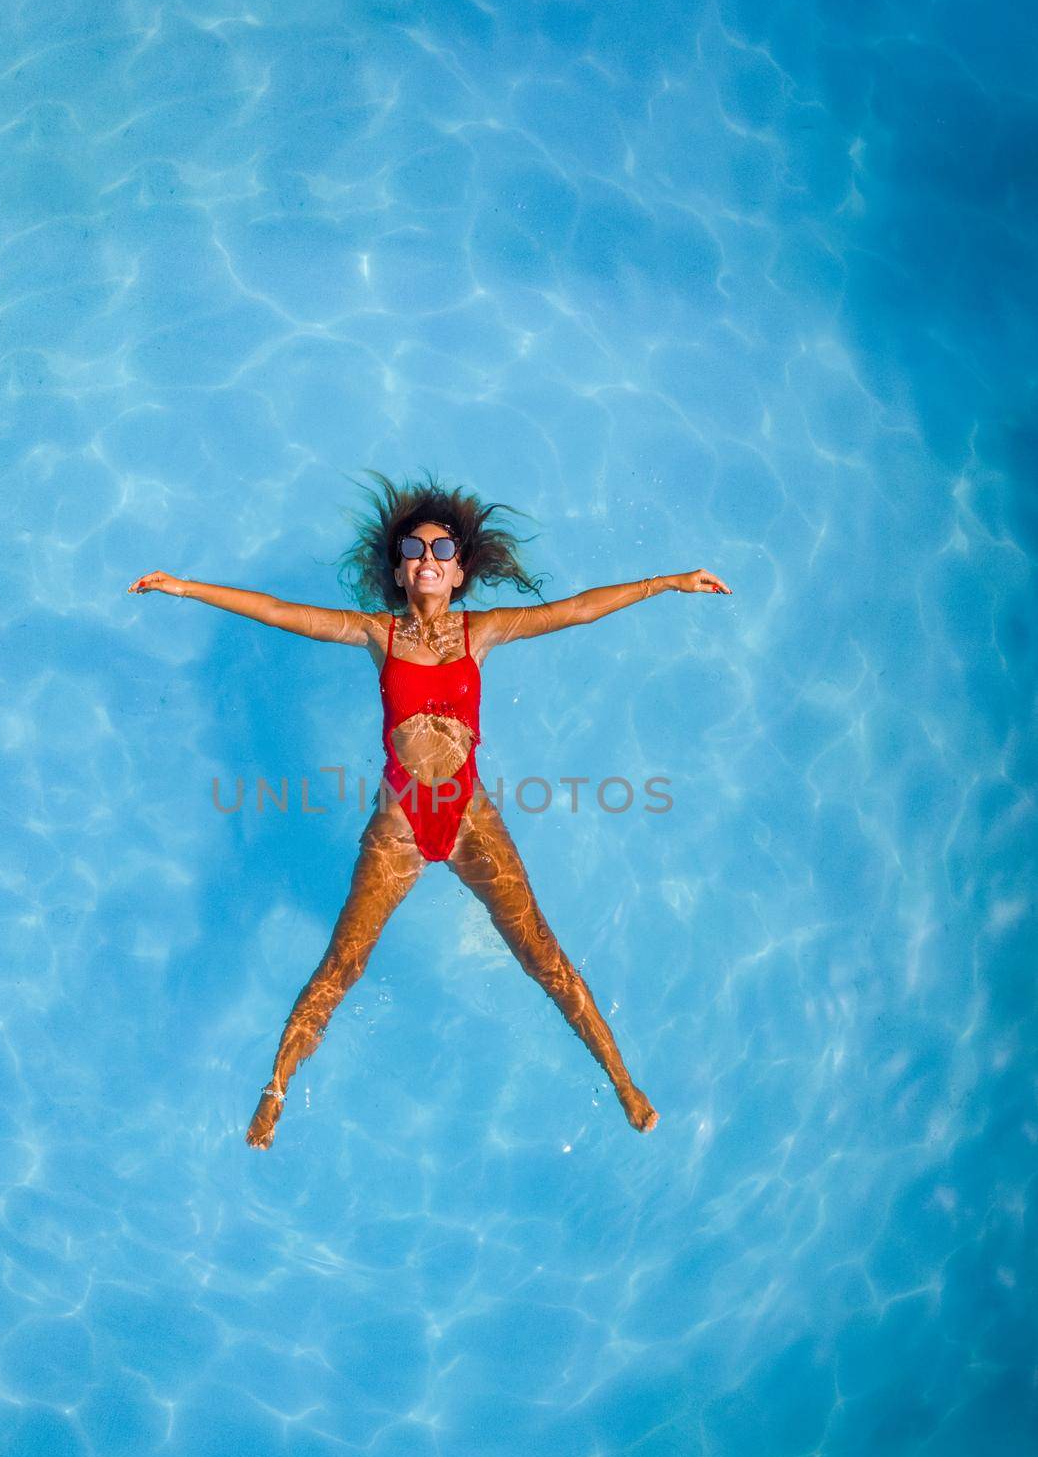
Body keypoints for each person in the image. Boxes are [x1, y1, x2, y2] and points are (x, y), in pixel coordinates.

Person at [128, 473, 731, 1150]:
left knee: (542, 954)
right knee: (343, 964)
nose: (427, 560)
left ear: (460, 571)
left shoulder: (483, 632)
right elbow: (276, 610)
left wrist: (669, 582)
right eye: (414, 550)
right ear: (398, 569)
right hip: (401, 827)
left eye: (441, 552)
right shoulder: (377, 635)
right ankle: (276, 1088)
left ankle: (622, 1080)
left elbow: (577, 609)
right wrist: (184, 587)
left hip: (471, 820)